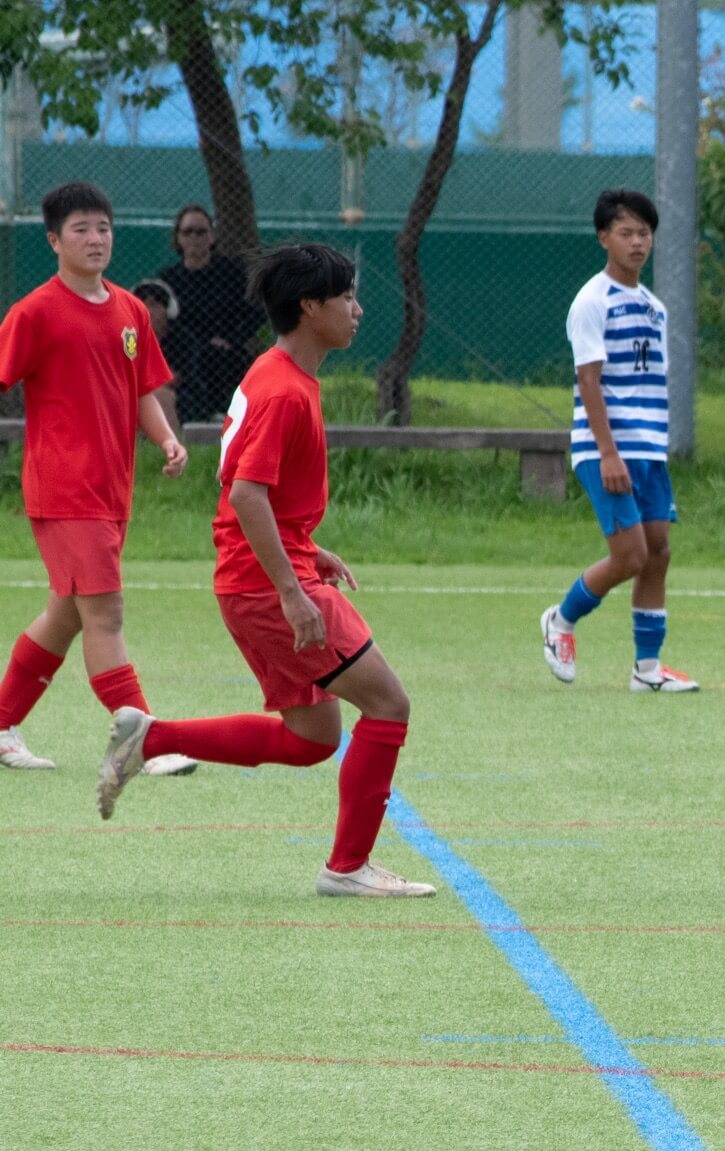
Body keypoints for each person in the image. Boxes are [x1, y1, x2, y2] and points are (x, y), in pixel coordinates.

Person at [96, 242, 436, 898]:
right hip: (265, 587)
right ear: (310, 307)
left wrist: (306, 544)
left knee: (313, 738)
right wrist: (292, 589)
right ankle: (348, 868)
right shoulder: (283, 389)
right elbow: (247, 494)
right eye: (347, 297)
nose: (358, 310)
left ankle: (151, 738)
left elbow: (248, 490)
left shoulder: (277, 373)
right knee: (389, 704)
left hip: (256, 577)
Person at [0, 182, 195, 777]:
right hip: (64, 490)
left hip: (112, 492)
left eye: (103, 228)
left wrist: (166, 438)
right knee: (104, 615)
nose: (95, 238)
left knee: (65, 615)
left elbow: (141, 390)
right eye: (81, 229)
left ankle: (1, 725)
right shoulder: (34, 312)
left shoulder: (131, 311)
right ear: (54, 240)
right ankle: (143, 741)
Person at [539, 188, 699, 694]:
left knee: (658, 553)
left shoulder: (654, 307)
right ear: (603, 237)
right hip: (606, 450)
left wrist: (654, 447)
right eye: (626, 233)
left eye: (644, 233)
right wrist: (608, 452)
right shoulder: (592, 300)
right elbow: (589, 381)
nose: (637, 242)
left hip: (648, 451)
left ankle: (647, 671)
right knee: (630, 556)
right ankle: (560, 620)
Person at [158, 204, 266, 422]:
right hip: (182, 352)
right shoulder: (168, 279)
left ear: (212, 236)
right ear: (178, 237)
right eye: (188, 232)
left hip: (224, 352)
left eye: (201, 232)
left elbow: (257, 312)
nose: (194, 238)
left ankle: (221, 414)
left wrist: (232, 339)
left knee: (216, 358)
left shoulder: (231, 273)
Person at [132, 277, 200, 421]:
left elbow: (175, 378)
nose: (148, 311)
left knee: (161, 396)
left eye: (154, 305)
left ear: (168, 310)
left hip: (175, 393)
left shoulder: (183, 339)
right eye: (142, 304)